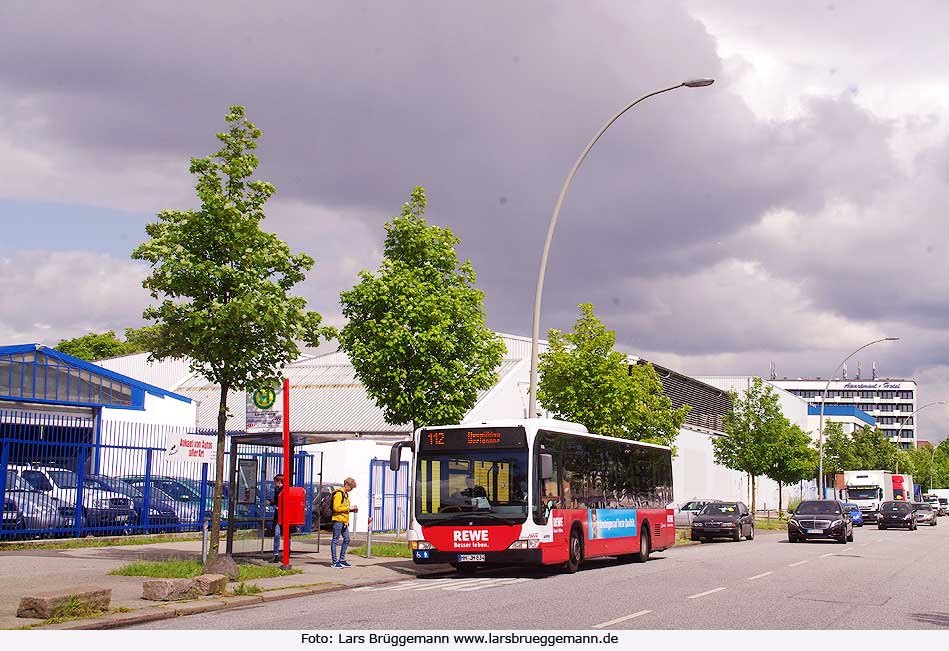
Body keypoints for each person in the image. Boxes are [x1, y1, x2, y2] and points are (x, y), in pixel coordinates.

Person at [331, 477, 358, 568]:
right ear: (347, 485)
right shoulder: (339, 494)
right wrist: (348, 508)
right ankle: (335, 561)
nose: (351, 490)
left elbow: (344, 508)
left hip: (344, 521)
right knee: (335, 540)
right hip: (338, 520)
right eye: (351, 488)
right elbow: (336, 508)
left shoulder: (346, 494)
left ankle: (342, 559)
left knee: (347, 539)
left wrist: (351, 510)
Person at [270, 473, 284, 563]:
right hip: (278, 515)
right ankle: (276, 554)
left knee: (279, 534)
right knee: (277, 534)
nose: (274, 484)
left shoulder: (284, 490)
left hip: (283, 515)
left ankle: (284, 553)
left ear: (279, 481)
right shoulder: (277, 490)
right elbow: (276, 501)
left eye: (275, 482)